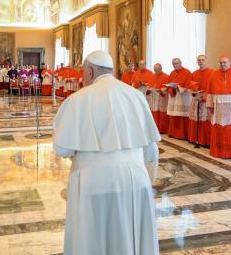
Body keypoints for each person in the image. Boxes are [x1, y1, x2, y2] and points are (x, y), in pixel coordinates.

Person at [54, 50, 160, 255]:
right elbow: (151, 149)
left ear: (91, 72)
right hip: (136, 180)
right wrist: (147, 179)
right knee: (130, 238)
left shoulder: (78, 99)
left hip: (93, 183)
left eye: (84, 73)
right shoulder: (136, 96)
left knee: (94, 241)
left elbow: (62, 148)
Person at [188, 55, 213, 148]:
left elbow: (212, 87)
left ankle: (206, 141)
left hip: (206, 100)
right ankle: (195, 138)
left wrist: (204, 96)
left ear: (206, 61)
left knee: (206, 119)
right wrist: (194, 93)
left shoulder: (212, 73)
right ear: (197, 62)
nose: (201, 62)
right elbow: (191, 86)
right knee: (196, 119)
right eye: (199, 60)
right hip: (196, 99)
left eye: (202, 60)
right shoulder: (194, 73)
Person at [166, 58, 192, 140]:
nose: (175, 65)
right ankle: (173, 133)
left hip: (183, 97)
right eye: (173, 64)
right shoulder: (172, 73)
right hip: (174, 97)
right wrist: (170, 88)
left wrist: (179, 87)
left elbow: (189, 86)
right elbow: (168, 84)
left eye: (176, 63)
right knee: (174, 115)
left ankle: (182, 134)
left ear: (181, 63)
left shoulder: (187, 72)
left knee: (182, 116)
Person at [147, 63, 170, 134]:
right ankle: (155, 128)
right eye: (154, 70)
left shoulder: (166, 77)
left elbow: (167, 88)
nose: (156, 71)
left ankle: (162, 129)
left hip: (162, 98)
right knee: (154, 113)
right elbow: (148, 85)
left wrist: (161, 90)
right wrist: (148, 89)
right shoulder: (152, 76)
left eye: (157, 70)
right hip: (154, 98)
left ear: (161, 68)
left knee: (162, 114)